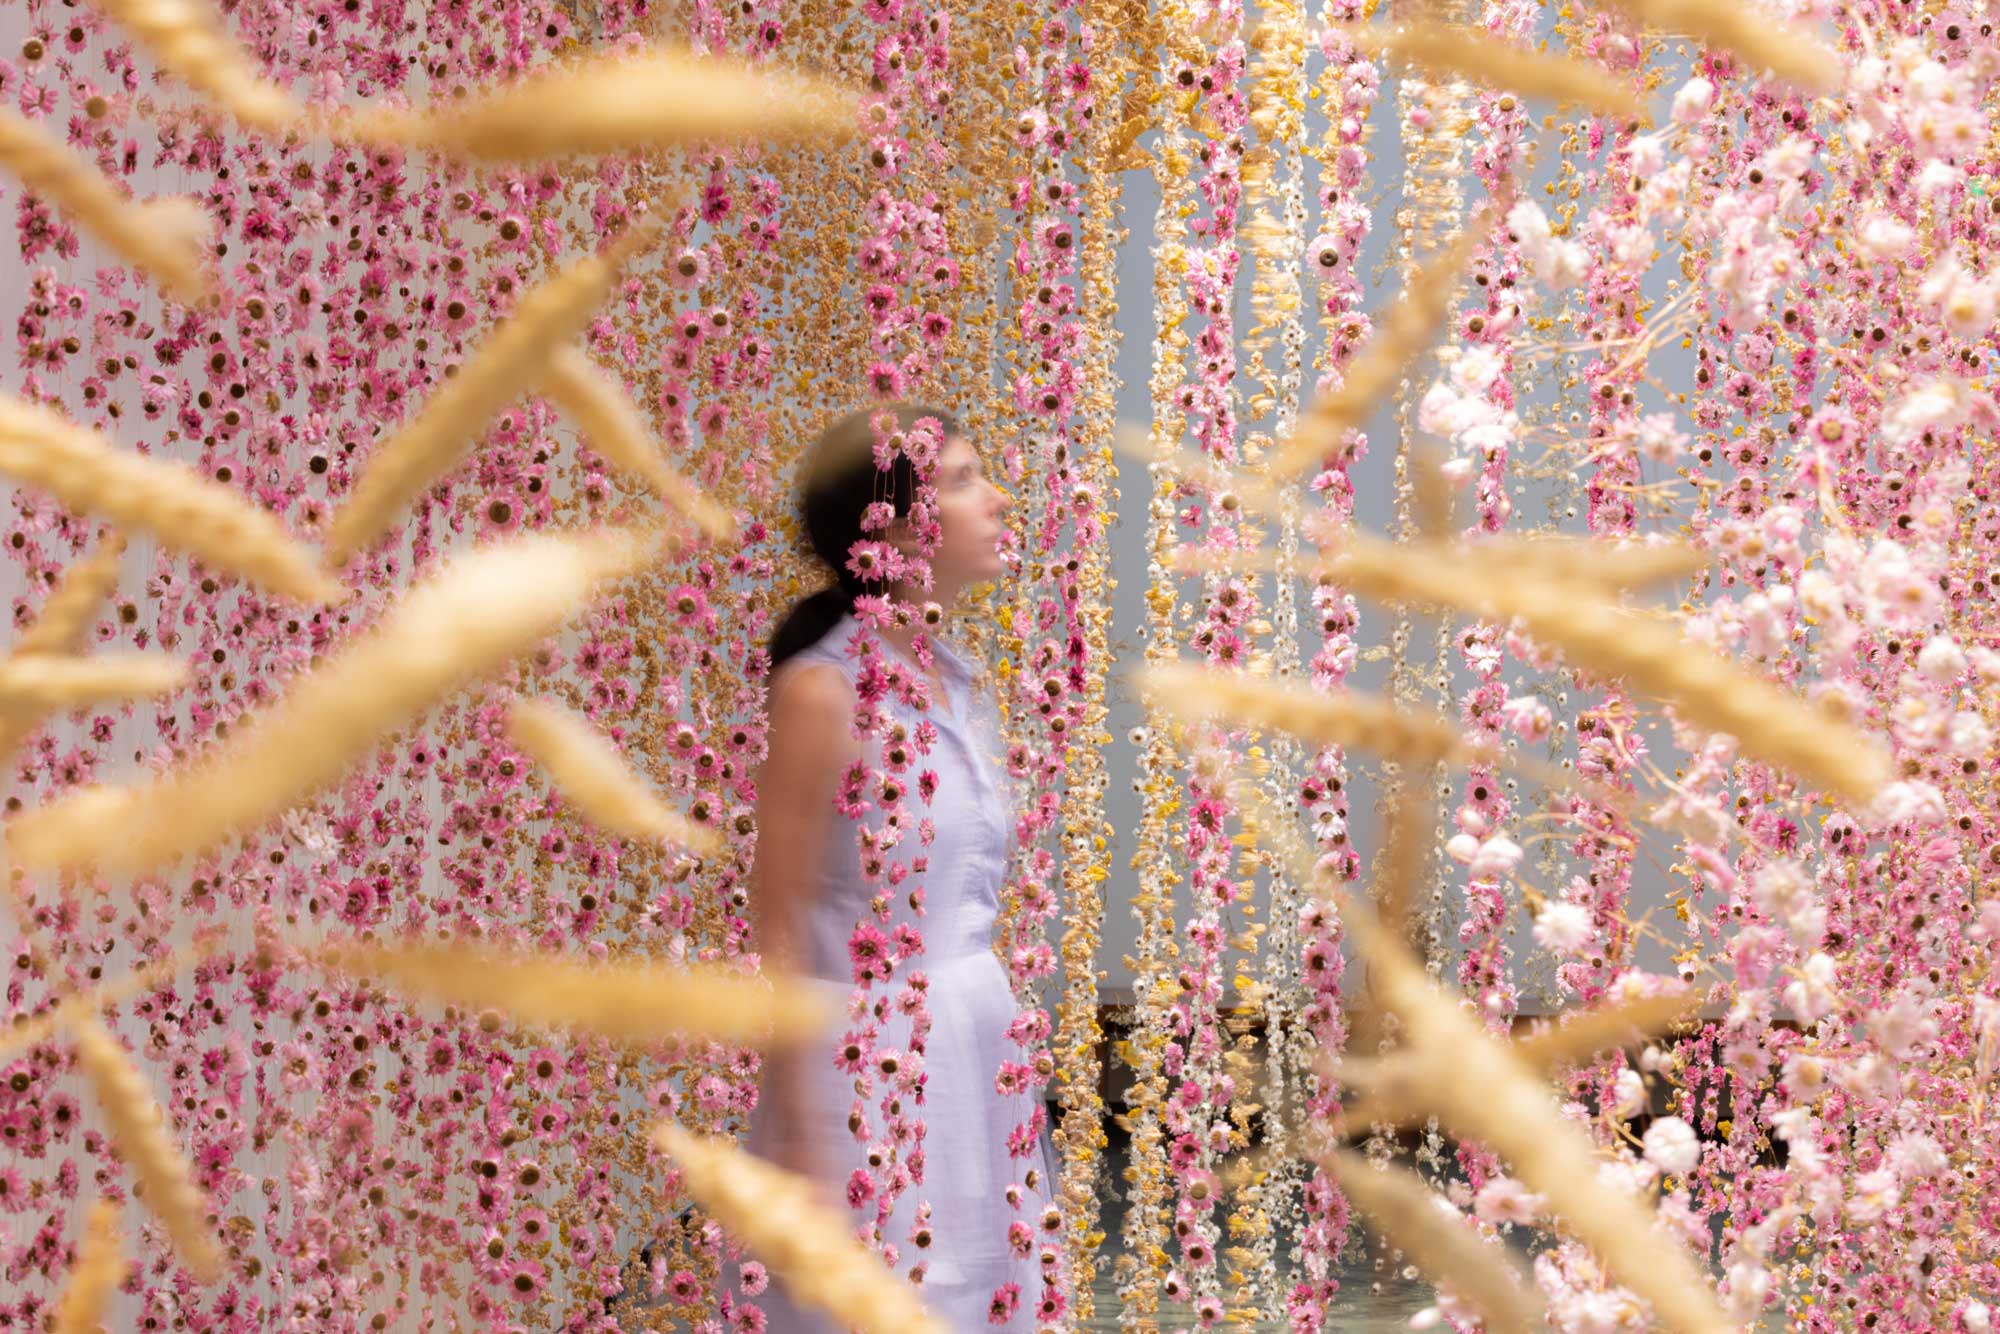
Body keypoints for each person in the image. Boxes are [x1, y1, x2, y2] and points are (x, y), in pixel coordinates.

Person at [726, 404, 1058, 1332]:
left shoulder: (957, 679)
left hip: (977, 1043)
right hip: (863, 1066)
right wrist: (800, 1126)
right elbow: (778, 914)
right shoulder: (823, 691)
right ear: (895, 525)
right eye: (961, 480)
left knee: (982, 1290)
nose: (998, 500)